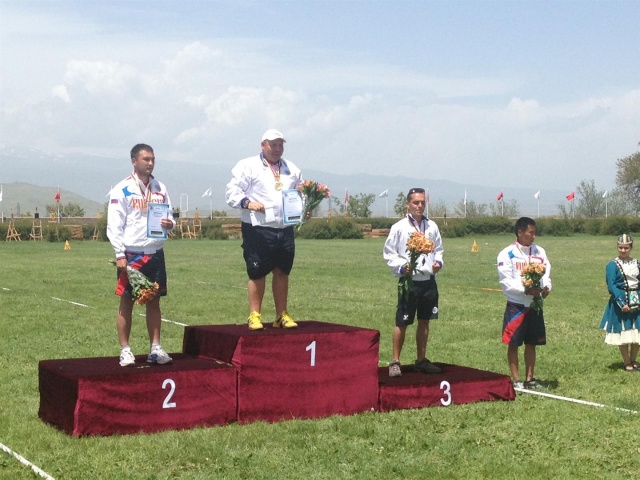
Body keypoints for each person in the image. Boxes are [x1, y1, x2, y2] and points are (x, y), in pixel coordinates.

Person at [225, 129, 303, 330]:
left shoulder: (291, 168)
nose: (277, 149)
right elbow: (232, 192)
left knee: (282, 271)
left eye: (280, 145)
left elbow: (299, 192)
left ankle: (281, 315)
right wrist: (247, 202)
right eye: (273, 145)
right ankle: (254, 315)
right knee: (257, 272)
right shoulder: (247, 165)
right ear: (263, 145)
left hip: (284, 227)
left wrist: (304, 206)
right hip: (258, 227)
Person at [107, 144, 176, 366]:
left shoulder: (160, 187)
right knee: (127, 300)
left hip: (155, 252)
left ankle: (155, 348)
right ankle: (125, 349)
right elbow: (114, 224)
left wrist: (170, 223)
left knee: (154, 300)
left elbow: (170, 216)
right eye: (146, 159)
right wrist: (119, 254)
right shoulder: (122, 189)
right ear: (134, 161)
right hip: (132, 253)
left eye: (153, 159)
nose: (150, 163)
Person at [383, 187, 444, 377]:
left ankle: (421, 360)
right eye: (416, 202)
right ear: (408, 204)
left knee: (425, 321)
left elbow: (439, 248)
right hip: (410, 281)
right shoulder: (399, 227)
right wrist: (402, 267)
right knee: (402, 321)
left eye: (422, 203)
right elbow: (389, 252)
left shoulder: (432, 226)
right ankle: (395, 361)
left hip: (428, 281)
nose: (419, 206)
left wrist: (438, 262)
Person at [497, 217, 552, 389]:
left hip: (535, 305)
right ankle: (517, 380)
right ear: (520, 232)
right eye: (531, 233)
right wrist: (525, 290)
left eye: (535, 233)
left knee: (532, 342)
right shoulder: (507, 254)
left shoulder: (539, 252)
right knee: (514, 343)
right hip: (517, 305)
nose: (533, 236)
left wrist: (546, 287)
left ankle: (530, 378)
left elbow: (547, 273)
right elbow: (506, 281)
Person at [600, 234, 640, 371]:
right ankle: (626, 361)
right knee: (623, 329)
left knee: (637, 329)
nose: (623, 250)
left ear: (631, 247)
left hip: (637, 299)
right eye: (621, 247)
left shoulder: (637, 263)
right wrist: (622, 302)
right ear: (617, 247)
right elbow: (611, 285)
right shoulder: (612, 265)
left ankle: (634, 359)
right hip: (621, 300)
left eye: (626, 248)